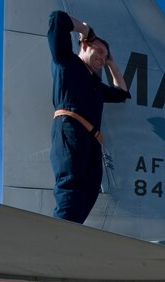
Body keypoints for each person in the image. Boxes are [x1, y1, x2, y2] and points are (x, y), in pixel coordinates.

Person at [47, 10, 131, 223]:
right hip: (70, 129)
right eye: (99, 51)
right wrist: (87, 30)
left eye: (105, 55)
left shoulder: (96, 85)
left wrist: (111, 63)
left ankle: (70, 231)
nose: (102, 58)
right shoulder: (67, 62)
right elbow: (58, 18)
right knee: (71, 187)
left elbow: (122, 93)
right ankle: (57, 238)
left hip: (92, 142)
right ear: (84, 46)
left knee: (91, 190)